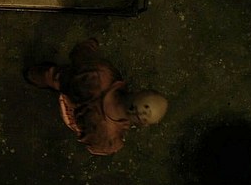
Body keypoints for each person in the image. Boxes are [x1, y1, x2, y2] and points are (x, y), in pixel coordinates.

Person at [24, 38, 168, 155]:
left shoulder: (99, 75)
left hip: (70, 94)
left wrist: (89, 45)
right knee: (60, 78)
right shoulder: (110, 139)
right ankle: (45, 77)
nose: (142, 112)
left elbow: (80, 53)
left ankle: (42, 76)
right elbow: (93, 146)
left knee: (56, 77)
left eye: (144, 115)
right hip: (74, 113)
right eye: (146, 108)